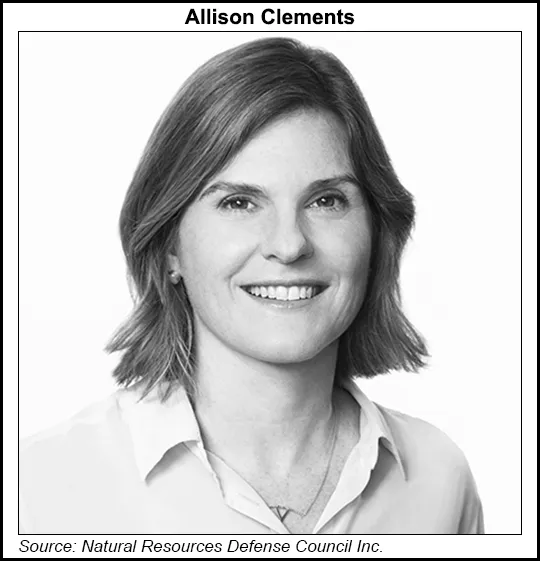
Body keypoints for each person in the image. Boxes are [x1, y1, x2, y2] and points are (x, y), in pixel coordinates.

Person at [19, 37, 484, 535]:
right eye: (239, 203)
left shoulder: (438, 479)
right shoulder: (36, 487)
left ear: (376, 232)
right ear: (170, 246)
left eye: (326, 201)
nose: (289, 245)